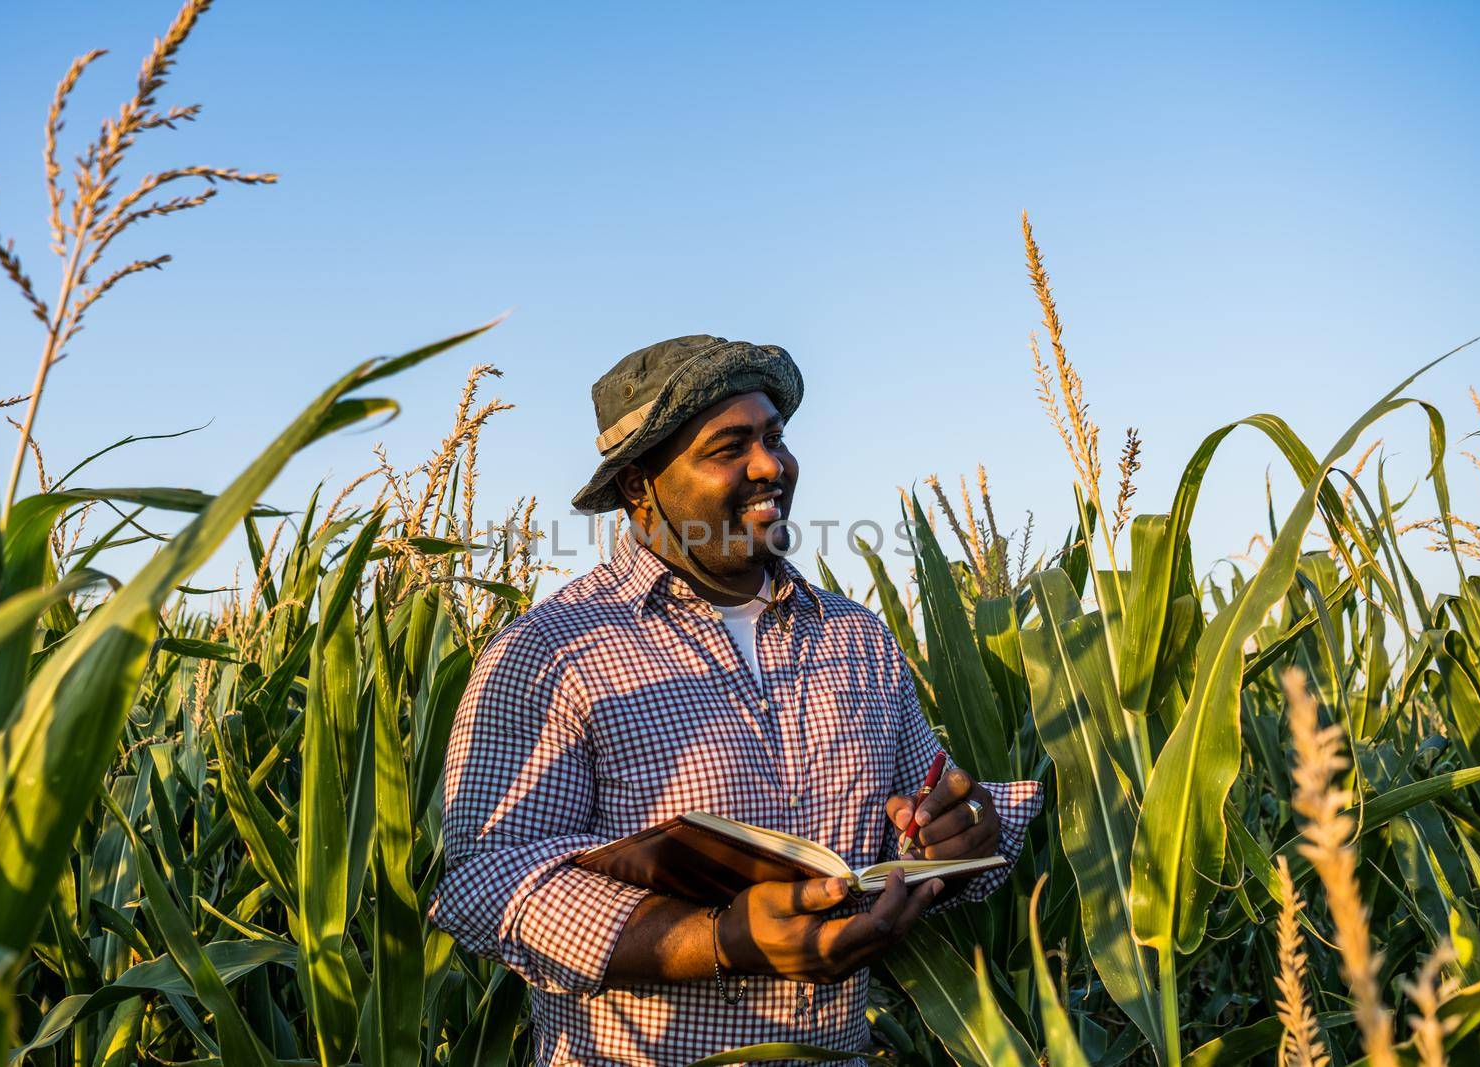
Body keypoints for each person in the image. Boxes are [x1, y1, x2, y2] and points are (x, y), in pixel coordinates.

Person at [427, 335, 1043, 1065]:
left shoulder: (858, 639)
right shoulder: (550, 653)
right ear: (637, 486)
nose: (769, 465)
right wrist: (720, 941)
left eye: (775, 437)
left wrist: (957, 833)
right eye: (729, 447)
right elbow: (486, 882)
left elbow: (923, 811)